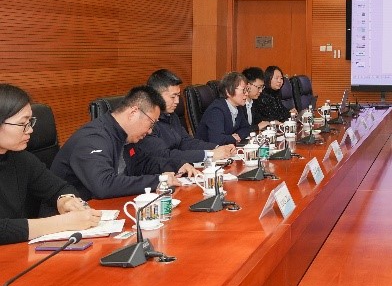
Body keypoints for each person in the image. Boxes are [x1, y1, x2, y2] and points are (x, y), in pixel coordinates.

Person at [0, 84, 102, 244]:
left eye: (30, 122)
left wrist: (65, 200)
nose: (30, 130)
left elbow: (59, 187)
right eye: (23, 123)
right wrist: (62, 223)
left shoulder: (20, 158)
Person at [52, 86, 185, 200]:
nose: (150, 131)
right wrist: (159, 180)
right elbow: (104, 185)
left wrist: (177, 165)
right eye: (151, 124)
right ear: (133, 113)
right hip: (70, 215)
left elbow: (141, 164)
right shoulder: (94, 138)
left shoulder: (125, 135)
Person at [128, 69, 234, 169]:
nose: (177, 101)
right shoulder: (147, 122)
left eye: (178, 96)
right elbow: (164, 155)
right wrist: (209, 154)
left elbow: (186, 142)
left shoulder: (172, 115)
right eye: (173, 96)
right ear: (156, 96)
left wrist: (217, 147)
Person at [194, 72, 253, 145]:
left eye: (247, 90)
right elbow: (217, 140)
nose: (247, 94)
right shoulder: (216, 110)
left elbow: (246, 129)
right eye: (243, 90)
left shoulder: (238, 107)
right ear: (228, 92)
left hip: (226, 148)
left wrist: (236, 136)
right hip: (208, 150)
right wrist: (232, 138)